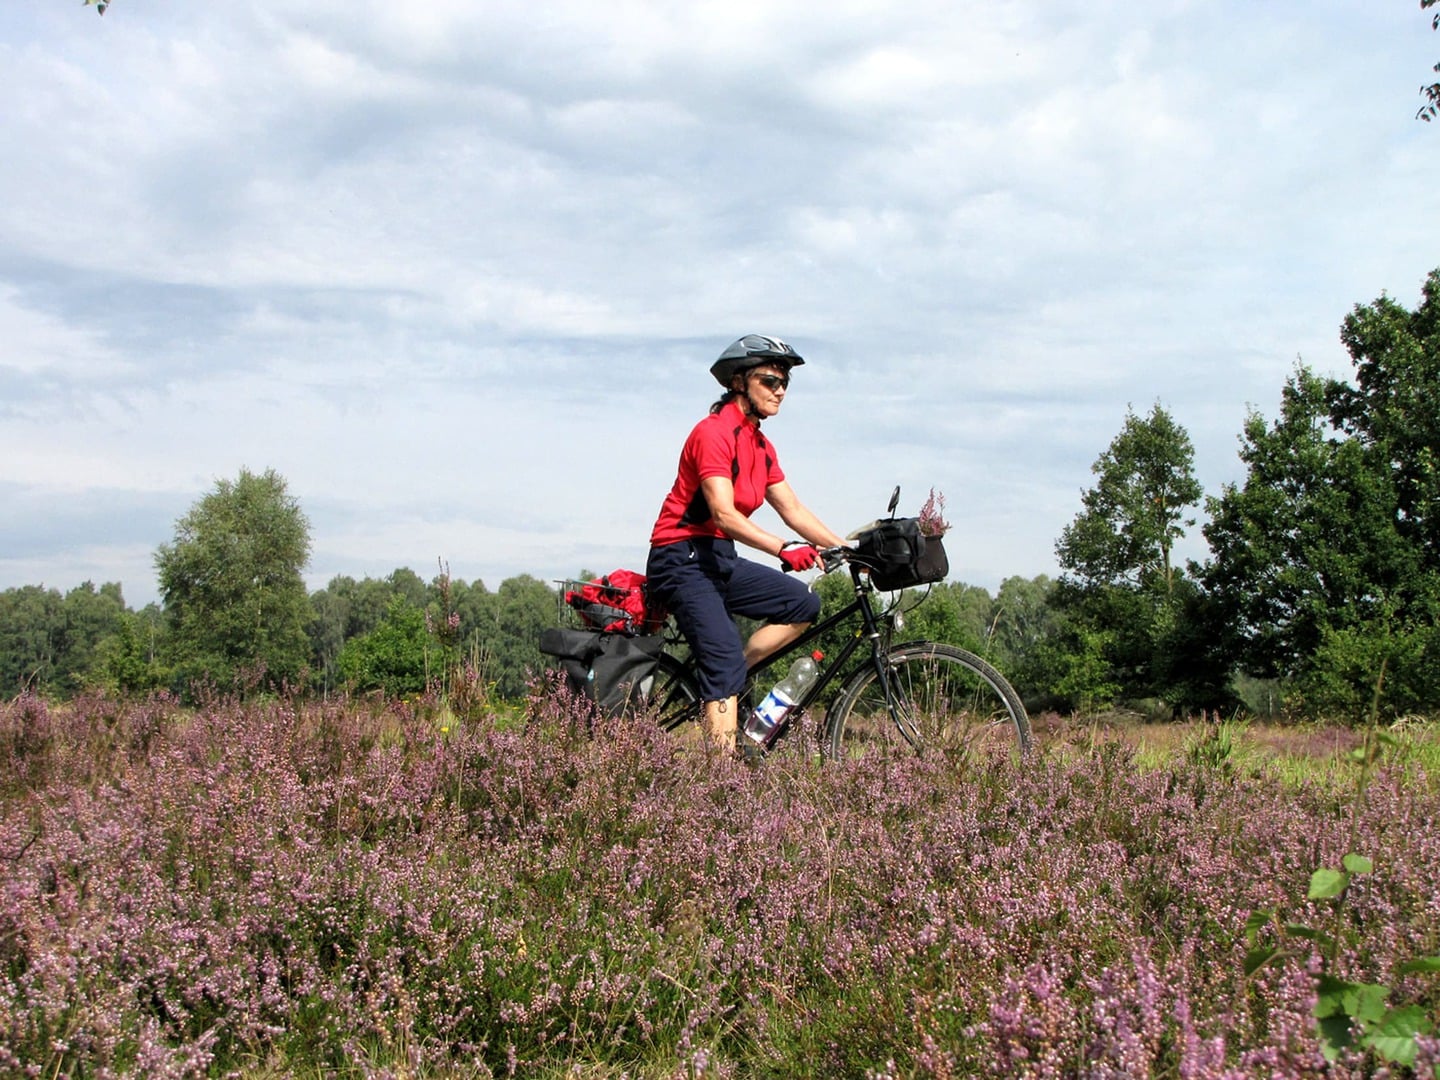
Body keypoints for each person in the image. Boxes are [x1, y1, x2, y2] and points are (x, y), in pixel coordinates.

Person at [646, 334, 848, 752]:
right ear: (739, 382)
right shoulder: (713, 433)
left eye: (785, 384)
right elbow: (723, 513)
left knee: (802, 603)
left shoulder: (760, 444)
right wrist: (782, 548)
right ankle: (724, 788)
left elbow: (792, 508)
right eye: (770, 381)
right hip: (680, 557)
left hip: (719, 558)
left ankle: (733, 674)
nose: (780, 391)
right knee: (720, 662)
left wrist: (846, 547)